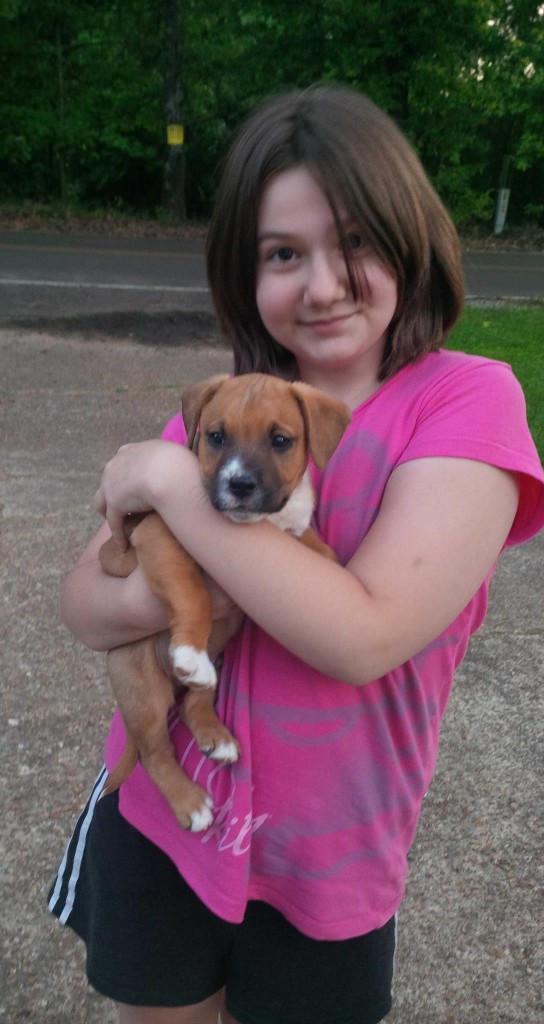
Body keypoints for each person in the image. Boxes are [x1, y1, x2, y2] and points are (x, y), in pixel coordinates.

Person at [48, 85, 544, 1024]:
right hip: (164, 828)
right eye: (283, 254)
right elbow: (83, 602)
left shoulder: (467, 404)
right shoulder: (228, 407)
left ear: (411, 239)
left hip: (331, 862)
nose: (322, 285)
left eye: (354, 241)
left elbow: (360, 637)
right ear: (247, 271)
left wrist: (169, 485)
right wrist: (184, 564)